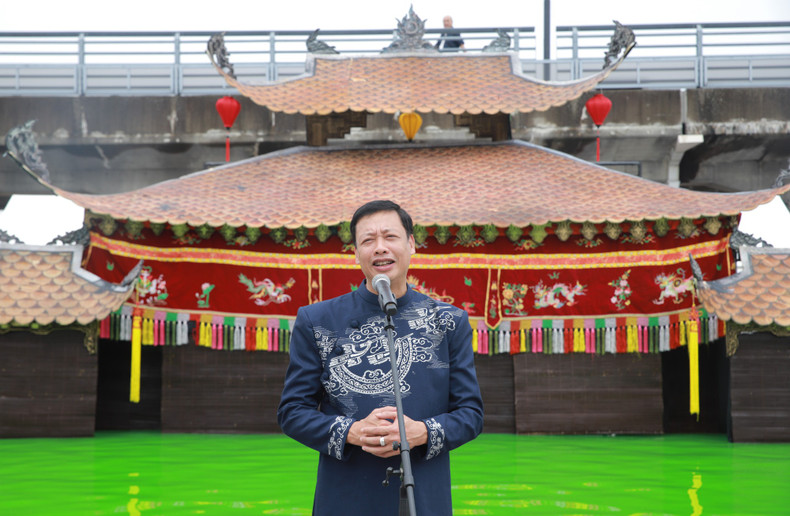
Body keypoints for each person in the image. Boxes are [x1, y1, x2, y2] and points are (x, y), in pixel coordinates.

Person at [277, 200, 484, 516]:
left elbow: (471, 414)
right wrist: (353, 432)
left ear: (411, 244)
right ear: (356, 253)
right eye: (368, 240)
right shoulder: (317, 320)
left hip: (424, 496)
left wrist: (422, 432)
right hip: (345, 498)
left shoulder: (448, 321)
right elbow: (292, 411)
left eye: (390, 236)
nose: (380, 247)